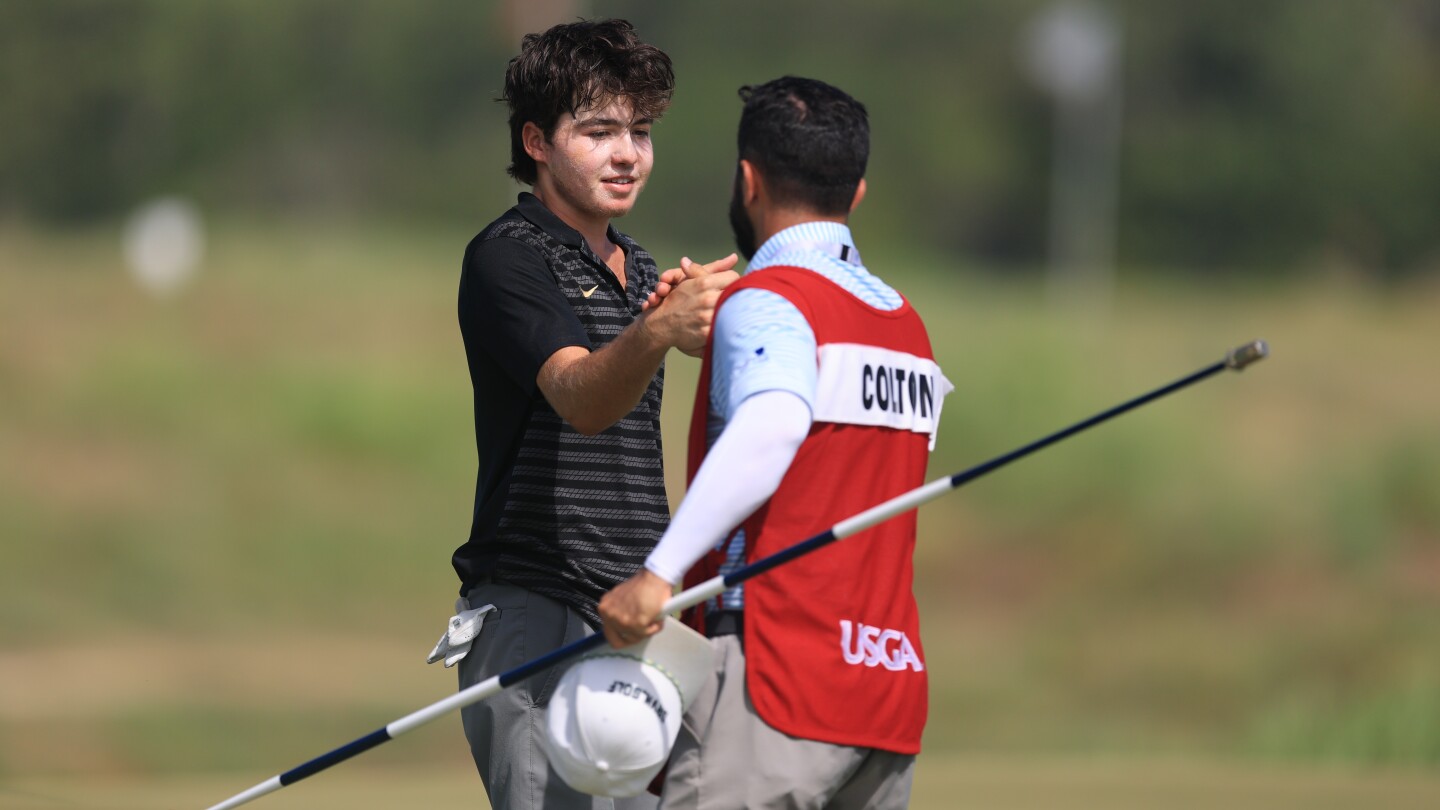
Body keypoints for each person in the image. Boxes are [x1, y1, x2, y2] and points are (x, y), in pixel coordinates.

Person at [599, 76, 954, 809]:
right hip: (884, 695)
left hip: (777, 679)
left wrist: (657, 576)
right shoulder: (906, 325)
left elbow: (775, 425)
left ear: (747, 180)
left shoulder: (770, 299)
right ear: (856, 194)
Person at [434, 19, 737, 810]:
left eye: (639, 131)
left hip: (635, 614)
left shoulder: (638, 266)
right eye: (599, 130)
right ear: (536, 140)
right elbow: (582, 398)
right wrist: (656, 332)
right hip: (539, 609)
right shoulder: (507, 254)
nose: (627, 153)